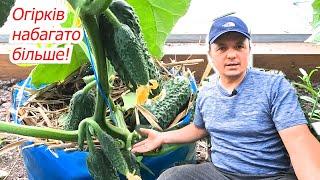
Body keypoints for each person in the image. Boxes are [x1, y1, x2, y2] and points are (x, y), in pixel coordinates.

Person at [131, 15, 320, 180]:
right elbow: (199, 128)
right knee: (171, 177)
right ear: (210, 55)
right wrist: (162, 137)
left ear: (249, 50)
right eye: (222, 48)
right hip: (221, 173)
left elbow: (298, 140)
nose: (231, 55)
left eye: (239, 46)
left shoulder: (274, 86)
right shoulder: (206, 92)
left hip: (271, 175)